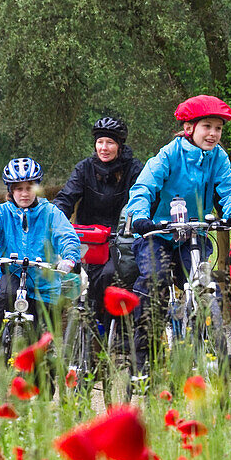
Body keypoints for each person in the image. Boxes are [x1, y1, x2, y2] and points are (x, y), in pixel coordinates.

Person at [123, 95, 231, 369]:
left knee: (204, 284)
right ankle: (142, 357)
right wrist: (141, 216)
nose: (213, 134)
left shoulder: (218, 157)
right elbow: (144, 187)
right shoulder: (169, 154)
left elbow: (228, 189)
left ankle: (216, 349)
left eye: (218, 128)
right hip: (157, 233)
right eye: (207, 126)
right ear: (189, 128)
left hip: (194, 233)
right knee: (154, 280)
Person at [0, 157, 81, 347]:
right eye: (18, 189)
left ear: (37, 188)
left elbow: (66, 235)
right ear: (11, 191)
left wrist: (70, 257)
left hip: (44, 280)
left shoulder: (51, 213)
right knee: (4, 299)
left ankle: (46, 366)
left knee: (44, 336)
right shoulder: (2, 212)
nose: (24, 194)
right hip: (11, 272)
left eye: (29, 188)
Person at [53, 116, 143, 323]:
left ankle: (113, 328)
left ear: (119, 146)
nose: (104, 147)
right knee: (67, 277)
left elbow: (141, 200)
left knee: (110, 276)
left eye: (110, 142)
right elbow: (67, 196)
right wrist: (56, 218)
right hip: (87, 237)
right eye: (100, 142)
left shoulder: (134, 169)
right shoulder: (85, 168)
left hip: (119, 237)